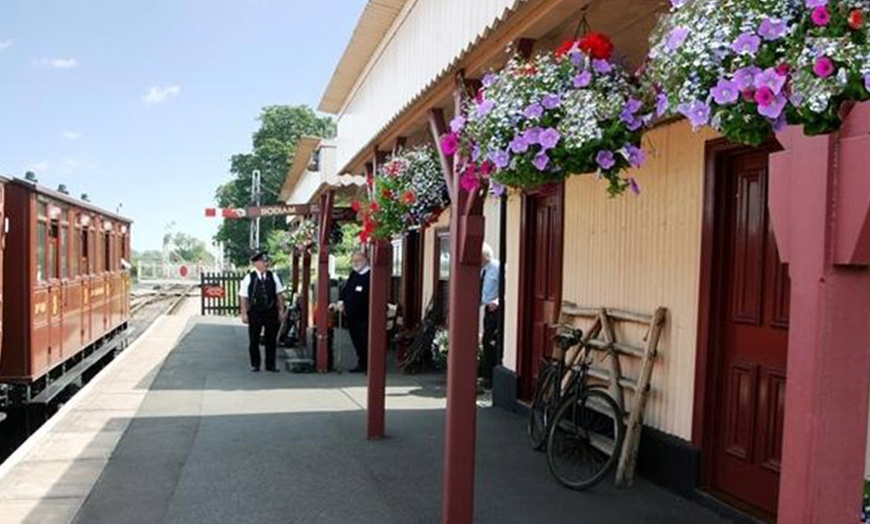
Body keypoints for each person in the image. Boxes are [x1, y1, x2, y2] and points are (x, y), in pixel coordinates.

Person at [239, 250, 286, 372]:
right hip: (255, 312)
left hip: (270, 311)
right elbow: (243, 297)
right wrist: (244, 313)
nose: (266, 263)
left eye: (266, 261)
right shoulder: (249, 278)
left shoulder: (273, 276)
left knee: (271, 339)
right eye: (263, 261)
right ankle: (255, 364)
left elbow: (279, 294)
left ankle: (270, 365)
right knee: (254, 338)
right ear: (257, 263)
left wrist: (281, 310)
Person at [337, 251, 370, 373]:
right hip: (352, 315)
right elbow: (345, 290)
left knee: (365, 340)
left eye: (358, 261)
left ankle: (368, 364)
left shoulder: (370, 275)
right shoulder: (354, 275)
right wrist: (341, 301)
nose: (355, 263)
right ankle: (361, 362)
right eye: (354, 261)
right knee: (356, 340)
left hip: (365, 315)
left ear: (365, 260)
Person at [480, 243, 501, 389]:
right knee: (486, 341)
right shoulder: (481, 270)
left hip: (496, 310)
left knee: (491, 341)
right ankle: (486, 375)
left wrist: (497, 301)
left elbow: (508, 288)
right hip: (487, 309)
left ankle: (490, 377)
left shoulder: (498, 268)